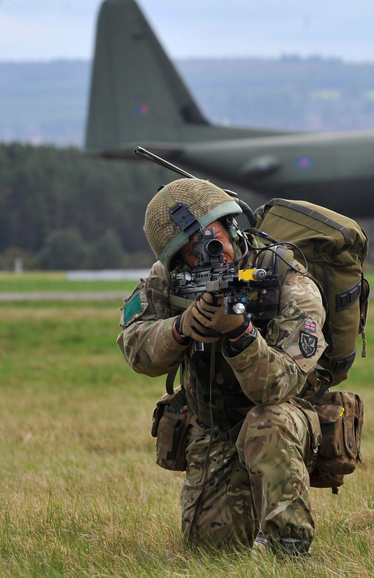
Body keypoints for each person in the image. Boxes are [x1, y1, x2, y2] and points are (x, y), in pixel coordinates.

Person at [118, 178, 326, 556]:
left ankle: (289, 544)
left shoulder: (287, 279)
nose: (206, 257)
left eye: (212, 240)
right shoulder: (167, 280)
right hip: (213, 428)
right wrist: (181, 329)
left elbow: (278, 388)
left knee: (270, 421)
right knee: (211, 549)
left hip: (281, 420)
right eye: (189, 254)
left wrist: (240, 335)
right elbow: (134, 347)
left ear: (232, 227)